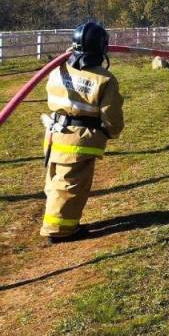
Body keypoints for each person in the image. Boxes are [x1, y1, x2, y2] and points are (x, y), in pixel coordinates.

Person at [40, 22, 124, 243]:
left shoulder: (59, 69)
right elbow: (111, 115)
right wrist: (109, 133)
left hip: (54, 133)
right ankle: (60, 230)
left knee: (56, 180)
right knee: (72, 186)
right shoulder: (104, 79)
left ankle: (58, 224)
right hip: (80, 138)